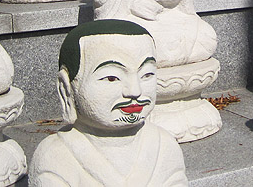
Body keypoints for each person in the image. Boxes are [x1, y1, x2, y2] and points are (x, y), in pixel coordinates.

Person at [29, 19, 188, 186]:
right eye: (112, 78)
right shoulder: (56, 158)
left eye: (146, 75)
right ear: (67, 87)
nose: (135, 91)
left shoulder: (165, 147)